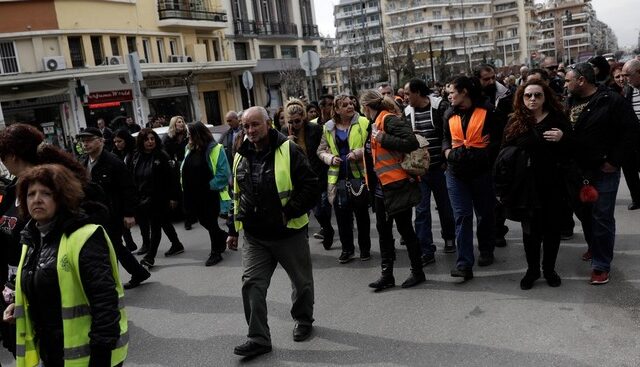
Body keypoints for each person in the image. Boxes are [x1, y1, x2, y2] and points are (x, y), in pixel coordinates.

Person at [4, 164, 128, 367]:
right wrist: (18, 305)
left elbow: (105, 304)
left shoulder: (85, 236)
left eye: (46, 193)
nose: (36, 199)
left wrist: (100, 359)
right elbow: (43, 285)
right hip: (51, 353)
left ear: (61, 197)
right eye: (30, 194)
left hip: (89, 357)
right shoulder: (32, 238)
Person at [0, 123, 100, 358]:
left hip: (48, 286)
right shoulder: (12, 190)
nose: (36, 199)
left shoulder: (54, 188)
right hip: (17, 285)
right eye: (31, 195)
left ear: (12, 156)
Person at [228, 106, 319, 358]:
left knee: (301, 284)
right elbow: (236, 195)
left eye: (255, 124)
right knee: (252, 285)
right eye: (246, 126)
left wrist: (290, 210)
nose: (250, 130)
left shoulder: (289, 150)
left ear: (268, 124)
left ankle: (303, 319)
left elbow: (311, 186)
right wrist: (232, 229)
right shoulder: (239, 155)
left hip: (288, 233)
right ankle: (258, 338)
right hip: (255, 236)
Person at [564, 62, 638, 284]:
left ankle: (601, 264)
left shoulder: (611, 101)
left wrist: (614, 160)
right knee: (584, 213)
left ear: (581, 81)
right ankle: (594, 246)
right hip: (577, 170)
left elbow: (632, 131)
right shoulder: (570, 101)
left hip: (604, 170)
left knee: (602, 216)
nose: (565, 84)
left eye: (568, 80)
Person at [499, 80, 569, 289]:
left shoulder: (557, 119)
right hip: (526, 188)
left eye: (537, 95)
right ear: (521, 98)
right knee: (530, 232)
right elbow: (503, 156)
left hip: (553, 185)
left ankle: (549, 269)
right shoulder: (515, 122)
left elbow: (573, 150)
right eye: (528, 95)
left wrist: (563, 138)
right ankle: (532, 270)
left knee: (552, 231)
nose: (532, 99)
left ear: (545, 97)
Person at [360, 89, 425, 291]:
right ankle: (387, 275)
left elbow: (411, 142)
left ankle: (417, 272)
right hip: (381, 189)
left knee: (405, 229)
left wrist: (383, 139)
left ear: (366, 107)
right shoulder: (374, 124)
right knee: (384, 232)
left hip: (397, 186)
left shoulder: (387, 120)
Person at [443, 76, 502, 280]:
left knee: (484, 214)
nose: (449, 96)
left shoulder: (489, 112)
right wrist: (447, 153)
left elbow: (498, 142)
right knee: (462, 216)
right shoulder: (449, 114)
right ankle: (464, 264)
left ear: (465, 92)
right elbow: (445, 140)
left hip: (481, 173)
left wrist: (483, 152)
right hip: (455, 173)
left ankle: (486, 250)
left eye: (452, 92)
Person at [79, 127, 151, 289]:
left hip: (113, 214)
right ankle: (138, 272)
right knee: (113, 247)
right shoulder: (83, 163)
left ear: (101, 141)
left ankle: (110, 284)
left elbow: (128, 188)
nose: (85, 144)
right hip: (92, 215)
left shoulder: (113, 162)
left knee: (111, 247)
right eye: (83, 141)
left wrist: (129, 213)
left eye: (89, 140)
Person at [404, 78, 456, 265]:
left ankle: (449, 237)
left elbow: (447, 135)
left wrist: (445, 159)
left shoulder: (439, 106)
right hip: (419, 171)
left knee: (445, 206)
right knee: (421, 211)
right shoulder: (407, 112)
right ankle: (426, 250)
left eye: (408, 93)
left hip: (440, 168)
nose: (405, 97)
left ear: (418, 93)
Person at [317, 94, 371, 262]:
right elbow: (320, 150)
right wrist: (330, 158)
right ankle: (347, 249)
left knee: (362, 215)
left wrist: (359, 153)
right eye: (345, 105)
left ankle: (364, 249)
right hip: (338, 178)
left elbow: (371, 146)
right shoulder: (328, 127)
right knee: (342, 216)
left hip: (359, 176)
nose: (350, 106)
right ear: (337, 110)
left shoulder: (363, 122)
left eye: (351, 103)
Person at [283, 99, 334, 250]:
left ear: (304, 117)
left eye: (297, 121)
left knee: (320, 209)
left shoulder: (315, 129)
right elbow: (279, 154)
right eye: (290, 122)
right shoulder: (285, 132)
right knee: (304, 212)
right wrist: (287, 143)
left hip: (317, 175)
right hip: (298, 179)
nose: (294, 125)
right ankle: (303, 244)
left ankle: (327, 229)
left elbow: (324, 150)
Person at [131, 128, 184, 269]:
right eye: (146, 139)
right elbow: (135, 178)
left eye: (152, 139)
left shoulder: (161, 156)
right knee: (164, 222)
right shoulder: (137, 157)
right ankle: (177, 244)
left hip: (160, 198)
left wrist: (173, 197)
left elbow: (172, 179)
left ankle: (150, 257)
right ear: (141, 142)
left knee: (155, 227)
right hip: (144, 199)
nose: (150, 142)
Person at [182, 122, 231, 266]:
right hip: (194, 194)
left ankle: (216, 252)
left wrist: (208, 186)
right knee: (203, 221)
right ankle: (221, 236)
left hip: (210, 194)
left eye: (190, 134)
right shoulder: (189, 148)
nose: (188, 136)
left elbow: (223, 173)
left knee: (210, 221)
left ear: (198, 134)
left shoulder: (215, 149)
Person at [474, 63, 512, 248]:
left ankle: (498, 229)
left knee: (500, 193)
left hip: (500, 150)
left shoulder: (505, 95)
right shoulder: (474, 98)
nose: (490, 82)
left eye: (492, 77)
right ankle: (489, 229)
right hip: (480, 152)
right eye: (485, 79)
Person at [162, 115, 192, 228]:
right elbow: (165, 154)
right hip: (175, 169)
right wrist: (172, 162)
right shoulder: (168, 138)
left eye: (182, 121)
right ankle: (187, 218)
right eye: (179, 122)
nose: (181, 123)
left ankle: (191, 215)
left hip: (188, 166)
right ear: (174, 124)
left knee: (189, 192)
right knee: (181, 193)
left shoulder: (188, 135)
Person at [112, 129, 139, 252]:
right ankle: (129, 244)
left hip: (135, 190)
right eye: (115, 141)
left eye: (120, 141)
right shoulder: (114, 155)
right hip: (121, 192)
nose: (117, 144)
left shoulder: (134, 153)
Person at [621, 59, 640, 210]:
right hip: (631, 139)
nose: (625, 78)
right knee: (629, 169)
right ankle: (637, 198)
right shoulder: (627, 91)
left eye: (628, 75)